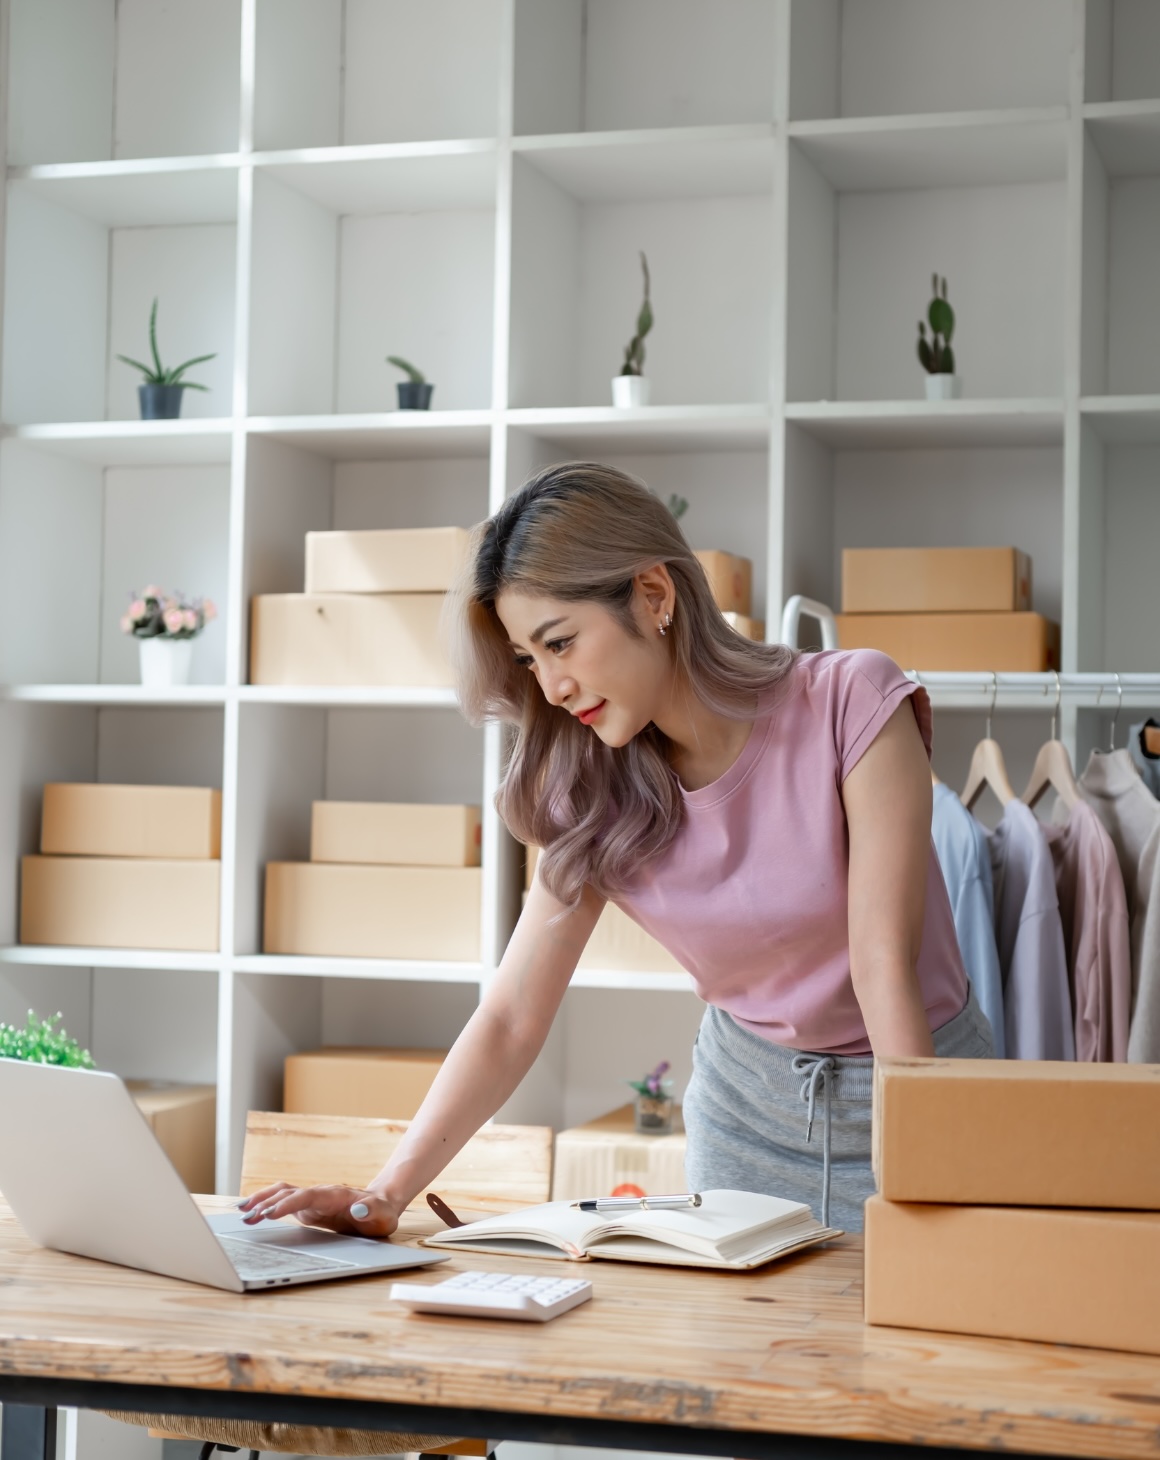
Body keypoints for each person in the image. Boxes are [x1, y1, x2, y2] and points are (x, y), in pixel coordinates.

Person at [239, 463, 993, 1237]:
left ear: (655, 596)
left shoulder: (851, 702)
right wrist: (384, 1195)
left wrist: (922, 1182)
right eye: (530, 660)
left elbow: (881, 962)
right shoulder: (587, 787)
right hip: (747, 1121)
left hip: (922, 1086)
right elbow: (510, 1017)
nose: (552, 686)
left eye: (560, 642)